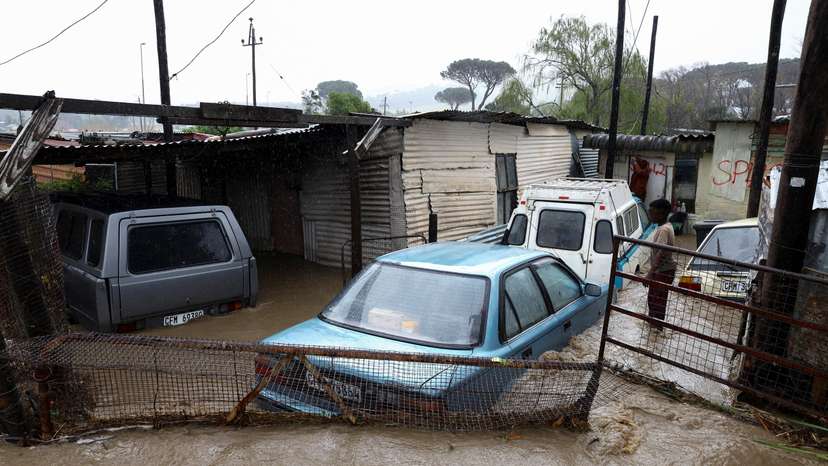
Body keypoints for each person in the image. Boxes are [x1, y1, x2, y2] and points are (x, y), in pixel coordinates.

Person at [645, 199, 676, 331]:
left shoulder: (664, 230)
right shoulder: (666, 226)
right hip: (664, 271)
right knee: (655, 301)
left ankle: (656, 329)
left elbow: (661, 252)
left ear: (661, 213)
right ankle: (654, 332)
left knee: (656, 303)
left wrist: (650, 273)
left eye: (652, 212)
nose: (650, 214)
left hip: (663, 271)